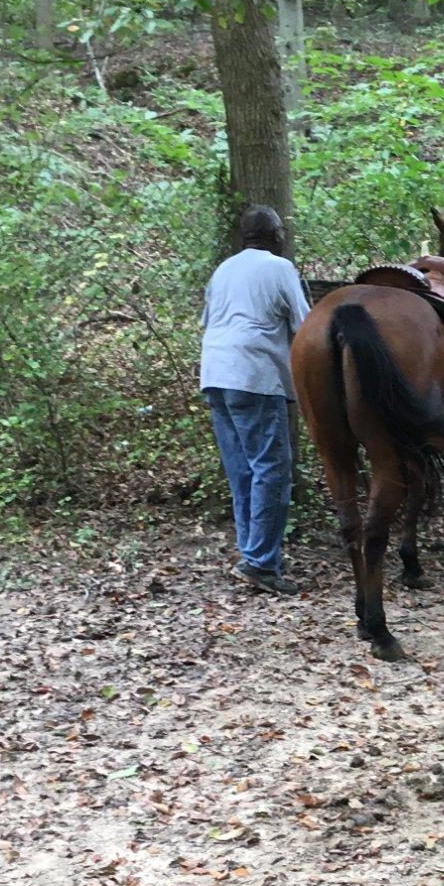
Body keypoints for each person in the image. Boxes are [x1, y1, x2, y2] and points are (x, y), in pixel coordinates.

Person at [200, 204, 310, 594]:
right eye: (282, 230)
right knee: (272, 470)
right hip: (253, 376)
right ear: (276, 235)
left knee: (242, 470)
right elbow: (305, 325)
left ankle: (254, 556)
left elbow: (210, 320)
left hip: (215, 372)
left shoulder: (223, 269)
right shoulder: (279, 269)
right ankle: (262, 563)